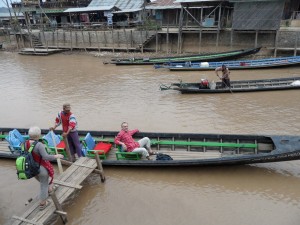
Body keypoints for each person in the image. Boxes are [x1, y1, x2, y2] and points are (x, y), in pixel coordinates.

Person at [26, 126, 64, 210]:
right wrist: (56, 156)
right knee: (44, 184)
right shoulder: (39, 145)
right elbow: (46, 157)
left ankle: (50, 190)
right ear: (38, 135)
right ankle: (43, 203)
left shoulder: (26, 143)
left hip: (32, 168)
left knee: (44, 182)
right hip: (40, 168)